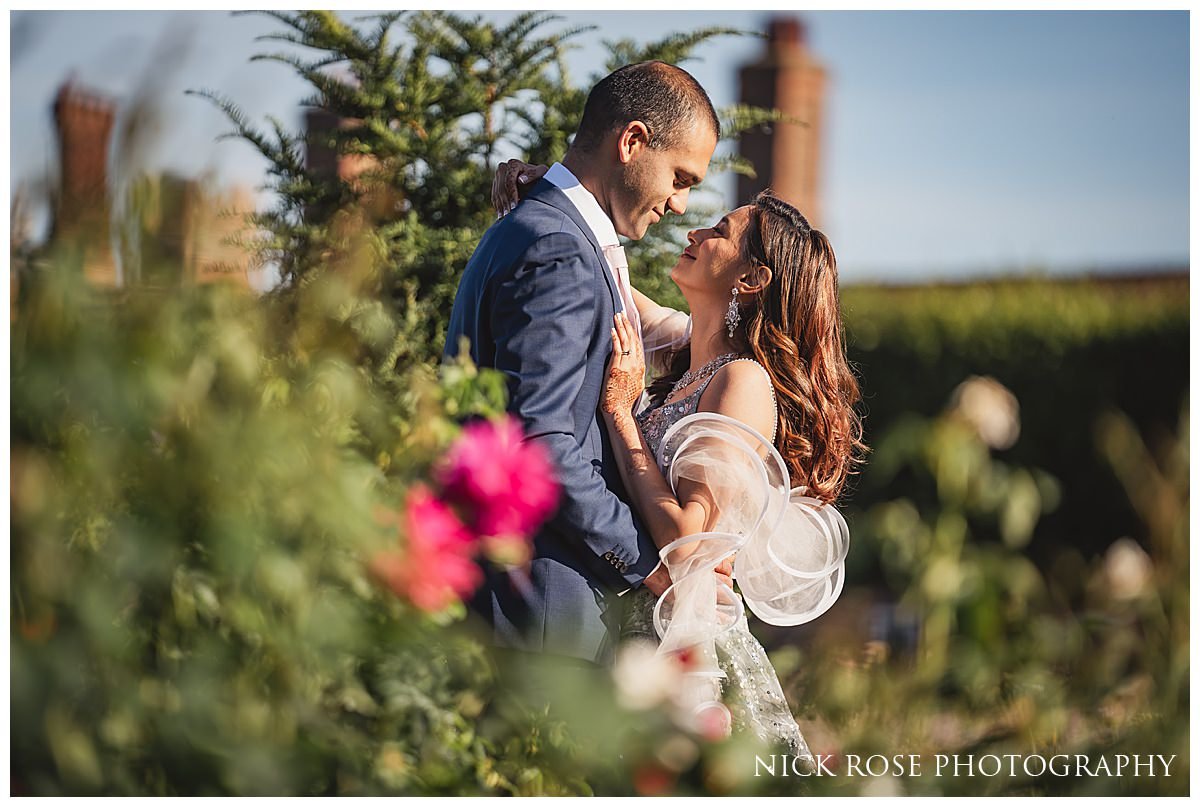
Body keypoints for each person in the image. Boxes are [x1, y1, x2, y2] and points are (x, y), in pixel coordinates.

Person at [493, 161, 868, 760]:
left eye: (718, 230)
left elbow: (690, 543)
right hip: (635, 630)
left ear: (751, 277)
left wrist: (620, 414)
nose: (693, 231)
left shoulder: (742, 380)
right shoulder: (692, 356)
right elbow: (602, 272)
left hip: (689, 652)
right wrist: (553, 190)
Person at [443, 61, 727, 668]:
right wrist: (651, 566)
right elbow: (541, 441)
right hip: (541, 615)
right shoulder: (557, 247)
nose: (680, 205)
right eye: (680, 178)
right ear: (631, 142)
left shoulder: (543, 229)